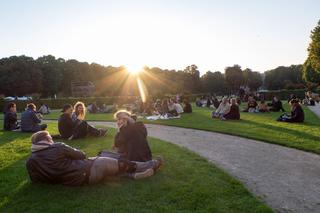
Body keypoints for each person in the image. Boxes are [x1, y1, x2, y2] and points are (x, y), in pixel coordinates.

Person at [26, 131, 162, 186]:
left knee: (104, 155)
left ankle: (133, 176)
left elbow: (36, 180)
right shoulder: (57, 147)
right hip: (85, 171)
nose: (51, 139)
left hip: (75, 180)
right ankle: (149, 165)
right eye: (50, 138)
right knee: (109, 161)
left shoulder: (31, 161)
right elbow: (82, 155)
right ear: (46, 140)